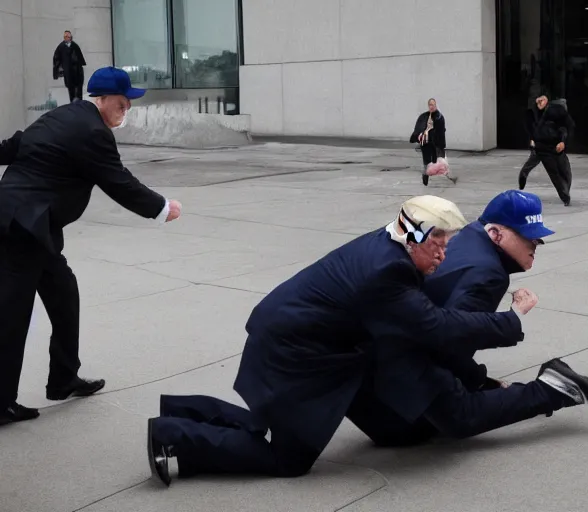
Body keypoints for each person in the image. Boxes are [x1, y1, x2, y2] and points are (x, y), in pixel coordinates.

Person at [147, 196, 527, 486]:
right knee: (288, 460)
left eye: (448, 245)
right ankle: (173, 437)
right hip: (296, 351)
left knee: (268, 425)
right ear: (413, 236)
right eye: (437, 246)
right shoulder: (388, 271)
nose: (444, 256)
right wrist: (510, 321)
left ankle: (181, 413)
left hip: (300, 335)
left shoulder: (391, 244)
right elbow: (438, 326)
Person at [345, 190, 588, 447]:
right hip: (403, 353)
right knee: (460, 418)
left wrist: (476, 381)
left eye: (537, 238)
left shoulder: (468, 238)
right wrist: (475, 380)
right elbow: (452, 338)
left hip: (388, 344)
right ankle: (554, 389)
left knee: (404, 431)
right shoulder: (489, 273)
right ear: (496, 234)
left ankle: (520, 390)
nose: (535, 245)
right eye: (528, 238)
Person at [0, 66, 183, 427]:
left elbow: (16, 145)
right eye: (123, 100)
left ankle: (64, 377)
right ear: (102, 98)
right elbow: (118, 181)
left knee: (65, 296)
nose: (127, 107)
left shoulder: (65, 115)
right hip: (21, 230)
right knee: (10, 317)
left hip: (37, 229)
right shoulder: (91, 131)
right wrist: (162, 208)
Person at [519, 95, 575, 206]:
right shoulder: (537, 112)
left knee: (564, 170)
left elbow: (568, 128)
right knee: (553, 171)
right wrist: (532, 140)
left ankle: (565, 193)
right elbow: (532, 126)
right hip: (542, 147)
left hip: (554, 146)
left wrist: (564, 142)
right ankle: (564, 195)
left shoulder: (558, 116)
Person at [410, 98, 457, 187]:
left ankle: (448, 176)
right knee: (427, 161)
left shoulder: (439, 117)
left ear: (436, 105)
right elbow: (418, 127)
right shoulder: (424, 116)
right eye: (430, 105)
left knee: (440, 161)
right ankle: (426, 175)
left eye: (433, 105)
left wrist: (441, 145)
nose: (432, 106)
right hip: (426, 142)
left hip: (436, 143)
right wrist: (418, 135)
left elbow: (441, 131)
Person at [53, 30, 87, 103]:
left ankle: (79, 102)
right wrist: (59, 70)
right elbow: (56, 58)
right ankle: (72, 102)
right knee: (70, 88)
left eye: (68, 36)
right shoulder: (61, 47)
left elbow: (80, 58)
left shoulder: (75, 45)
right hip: (68, 71)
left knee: (78, 89)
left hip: (77, 71)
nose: (67, 38)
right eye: (65, 37)